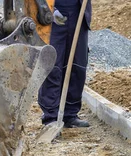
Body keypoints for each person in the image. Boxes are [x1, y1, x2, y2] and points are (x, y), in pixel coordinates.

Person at [38, 0, 92, 128]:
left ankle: (70, 114)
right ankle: (51, 116)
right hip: (53, 9)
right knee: (53, 65)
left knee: (77, 64)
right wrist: (49, 10)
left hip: (78, 10)